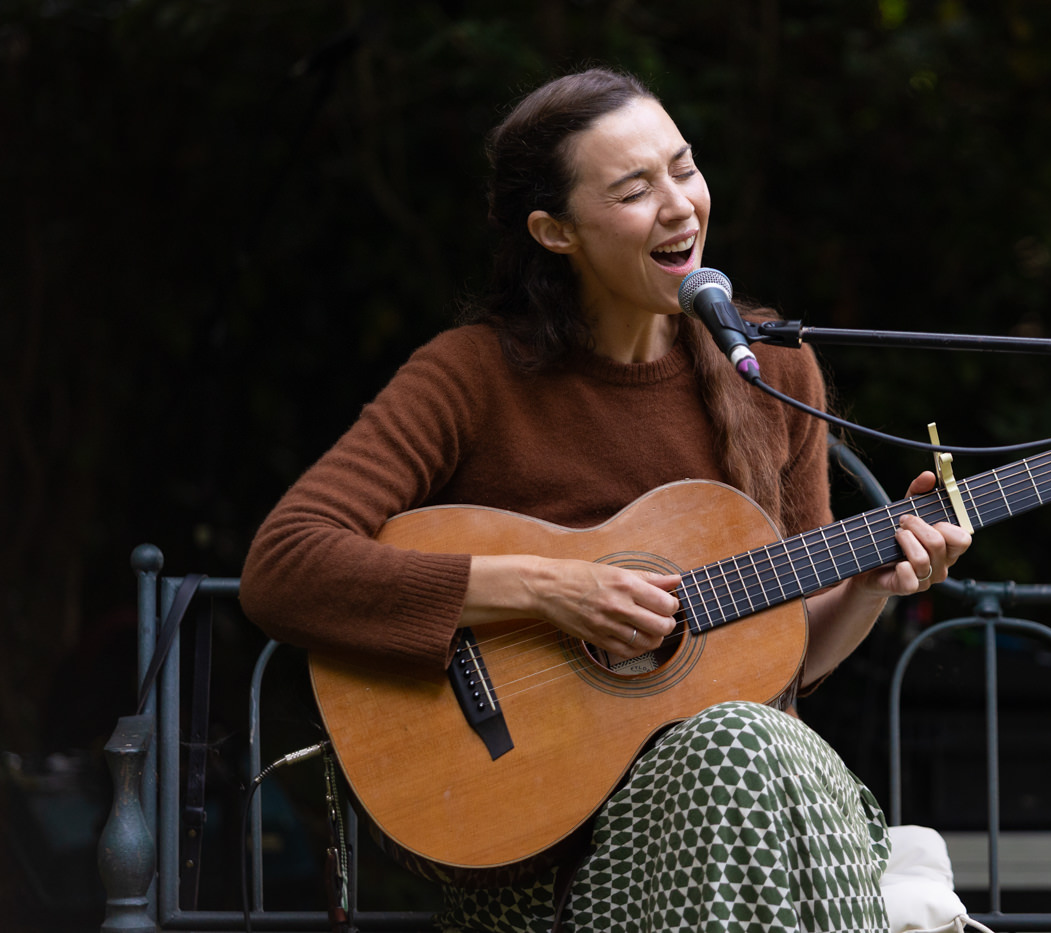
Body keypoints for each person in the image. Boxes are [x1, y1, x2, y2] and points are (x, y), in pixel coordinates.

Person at [240, 67, 971, 933]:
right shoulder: (470, 378)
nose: (680, 205)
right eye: (633, 189)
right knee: (745, 748)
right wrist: (550, 588)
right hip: (548, 858)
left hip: (754, 802)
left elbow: (785, 661)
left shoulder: (772, 371)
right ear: (555, 231)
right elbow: (285, 565)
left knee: (746, 742)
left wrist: (866, 589)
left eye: (684, 166)